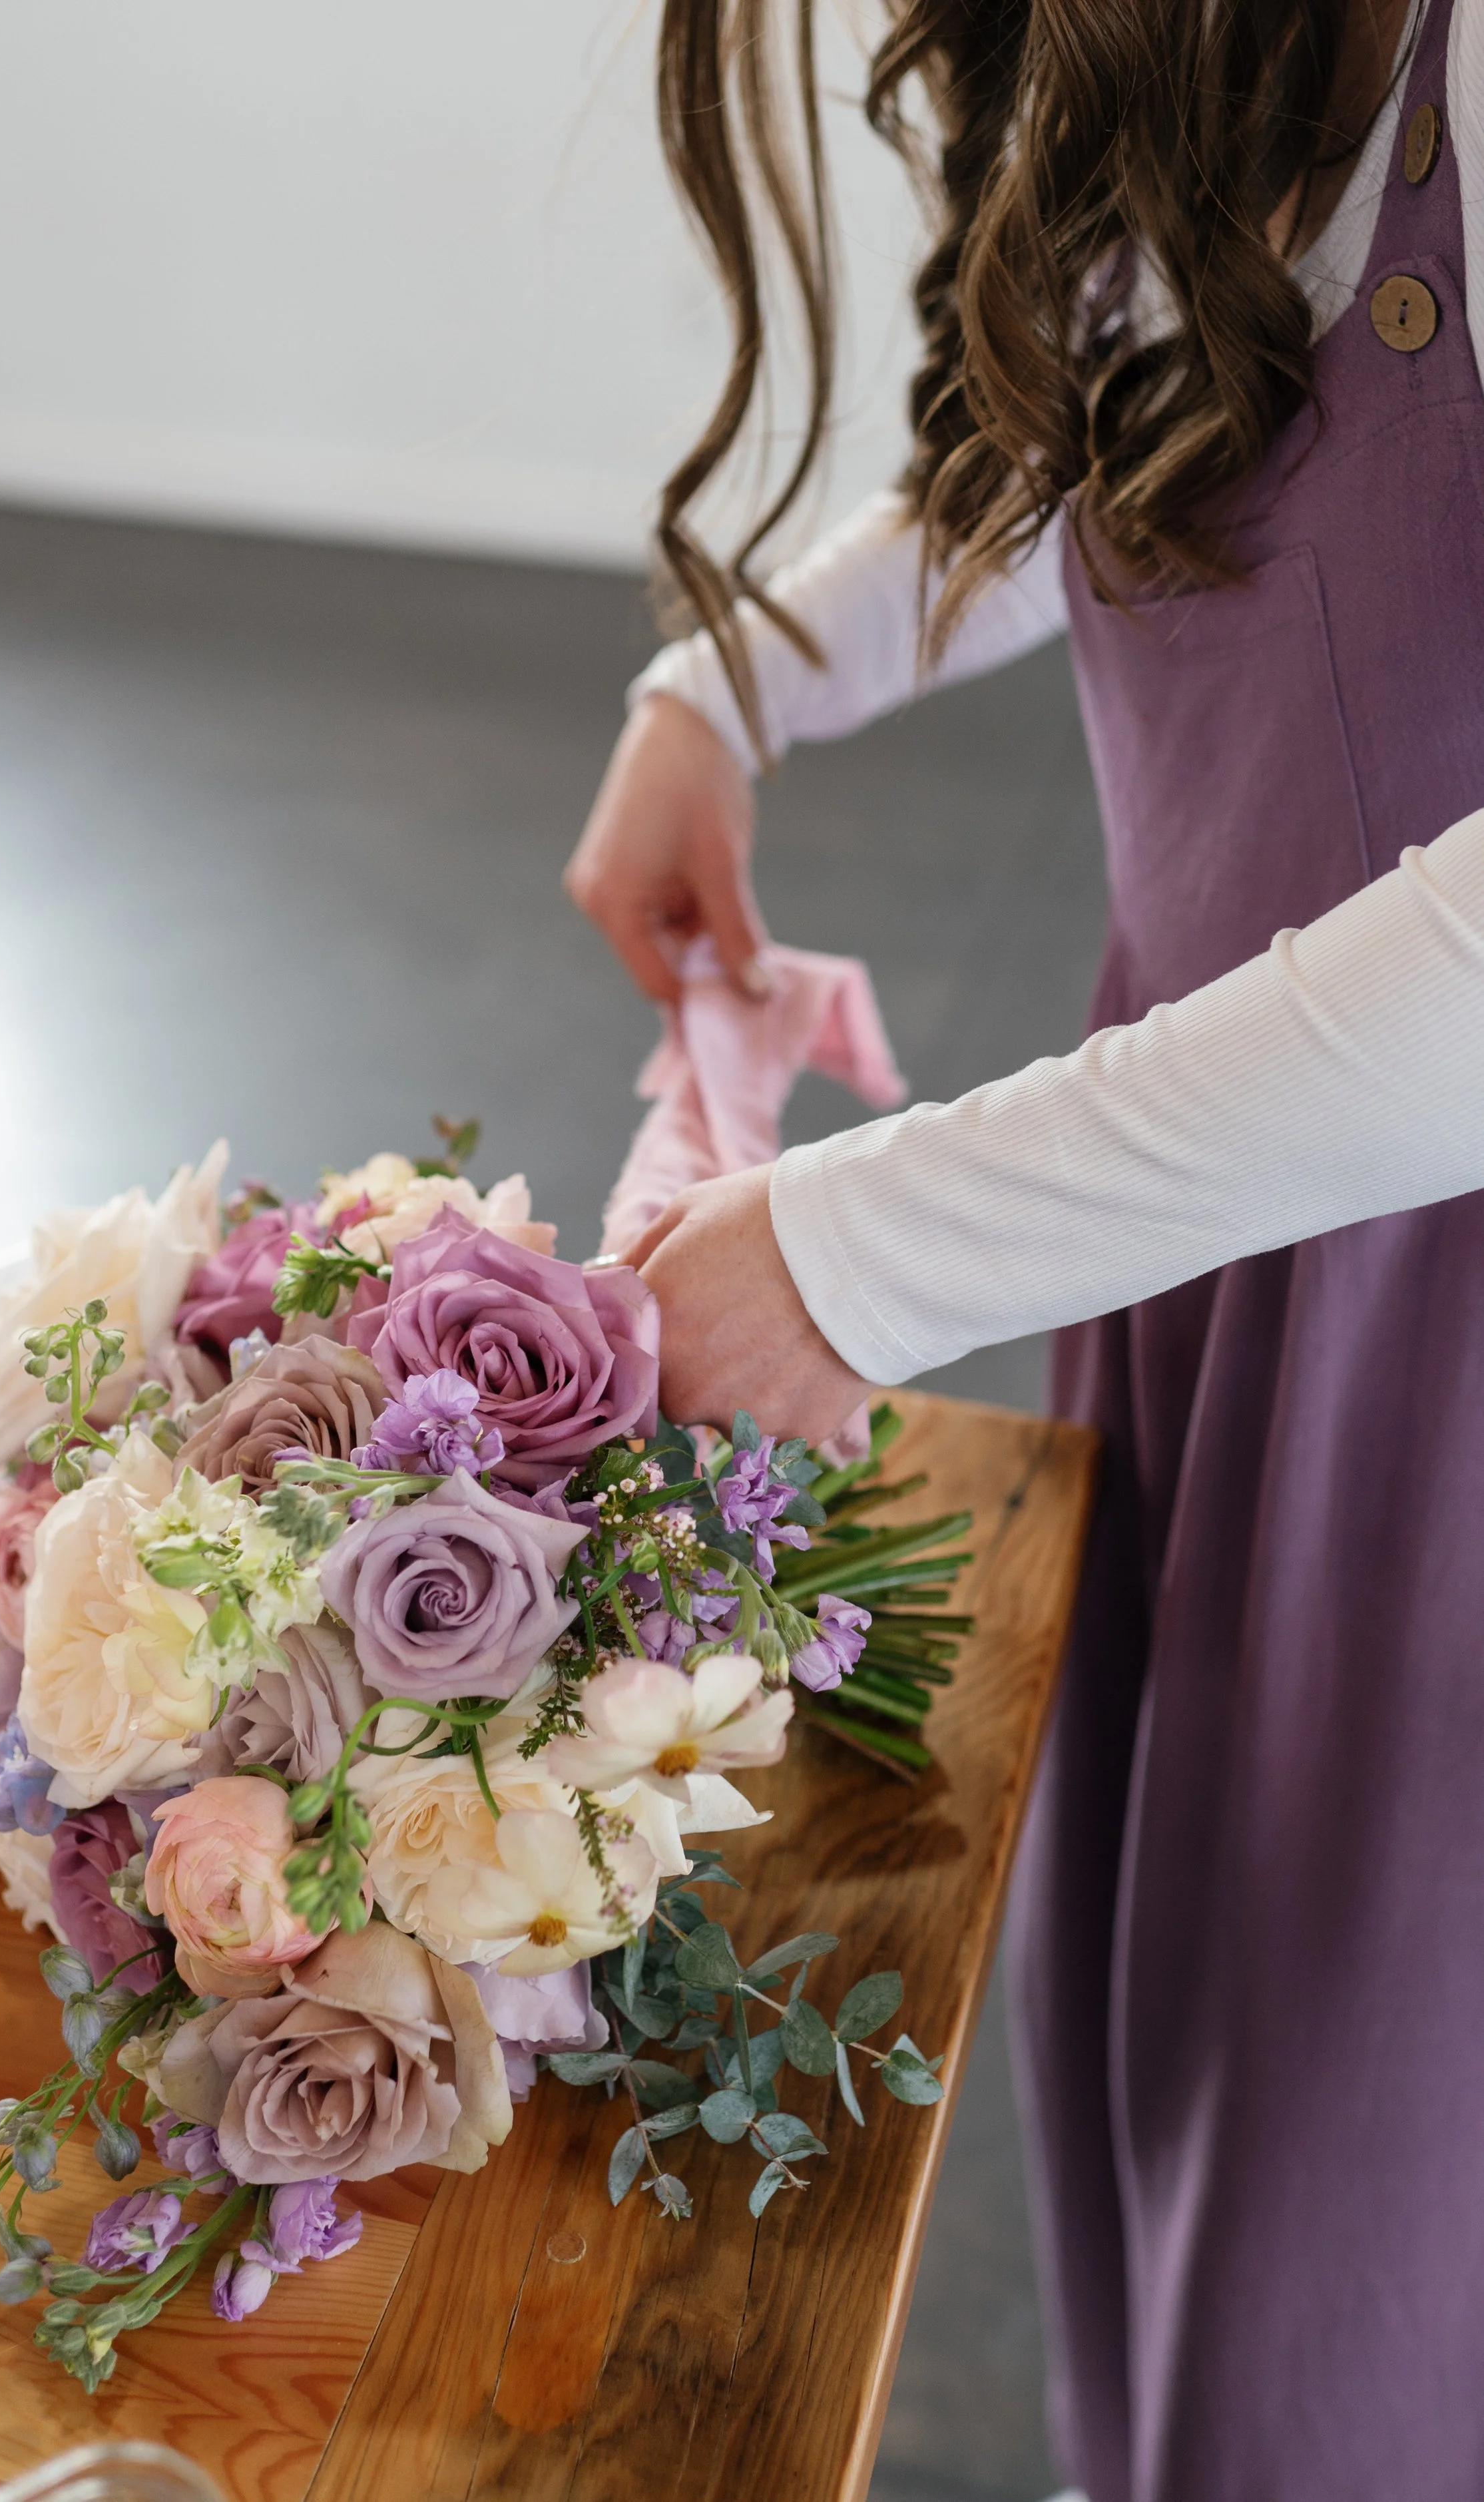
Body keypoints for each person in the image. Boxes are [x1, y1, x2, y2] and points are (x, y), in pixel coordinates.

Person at [563, 0, 1484, 2496]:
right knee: (1179, 2021)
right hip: (1236, 1237)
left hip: (1432, 1349)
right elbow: (1144, 412)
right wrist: (723, 687)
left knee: (1360, 2180)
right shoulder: (1253, 43)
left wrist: (861, 1250)